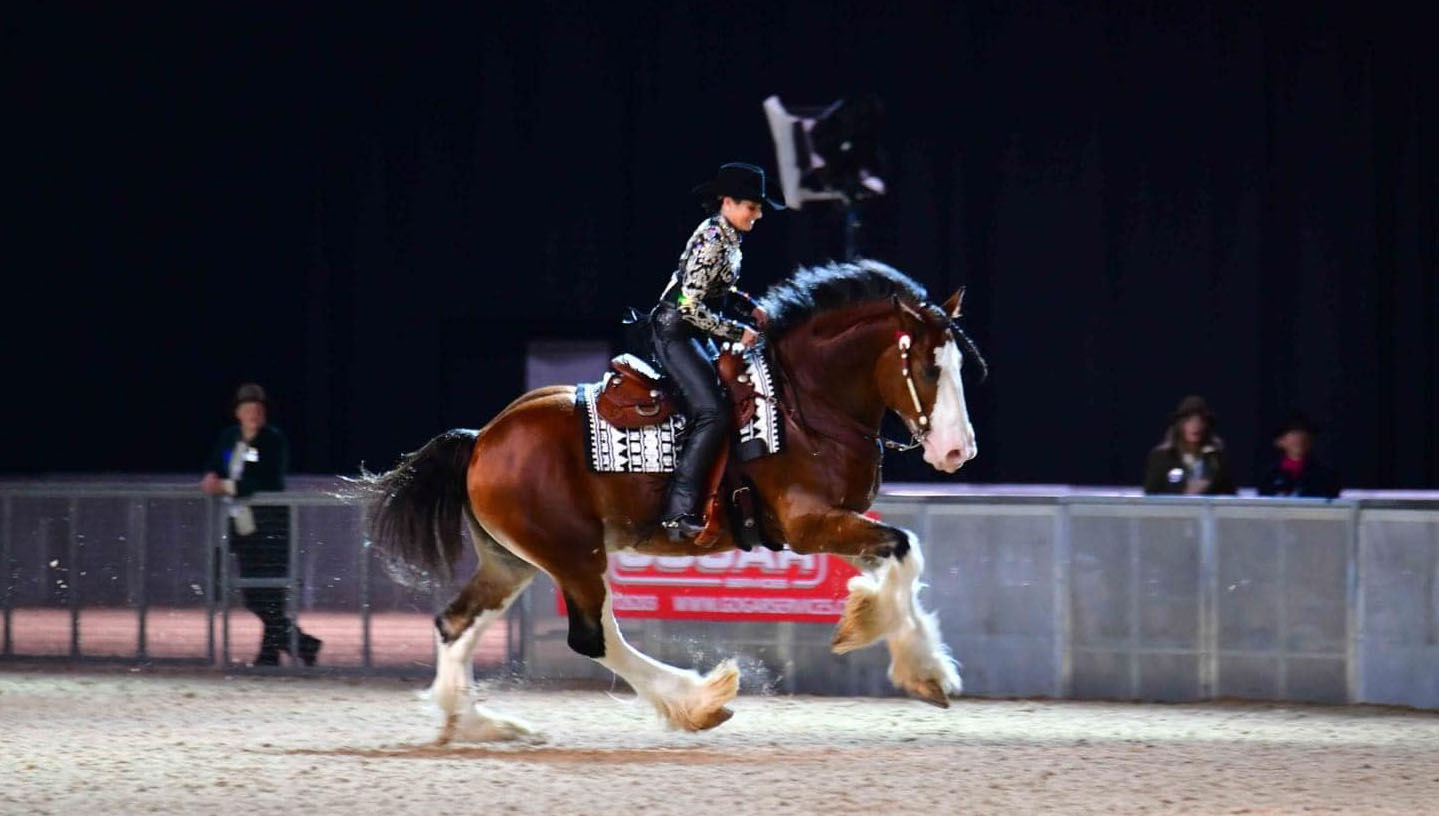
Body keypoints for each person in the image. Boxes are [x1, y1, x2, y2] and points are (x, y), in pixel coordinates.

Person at [652, 162, 784, 539]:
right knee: (712, 411)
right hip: (675, 332)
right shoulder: (713, 238)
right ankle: (677, 512)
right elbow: (688, 305)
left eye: (759, 208)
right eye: (752, 207)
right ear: (727, 202)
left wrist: (748, 305)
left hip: (692, 330)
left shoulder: (727, 236)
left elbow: (716, 287)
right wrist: (734, 329)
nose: (757, 215)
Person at [200, 383, 321, 666]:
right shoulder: (229, 438)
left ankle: (273, 654)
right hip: (242, 525)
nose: (254, 414)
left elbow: (266, 480)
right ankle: (302, 644)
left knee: (269, 594)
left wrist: (226, 486)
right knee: (254, 595)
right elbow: (216, 463)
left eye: (258, 410)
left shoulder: (273, 440)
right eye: (248, 409)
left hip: (270, 526)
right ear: (238, 413)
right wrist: (210, 477)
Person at [1143, 395, 1237, 495]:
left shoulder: (1216, 458)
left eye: (1200, 421)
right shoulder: (1162, 457)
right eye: (1189, 421)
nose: (1195, 426)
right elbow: (1151, 496)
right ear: (1180, 425)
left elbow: (1230, 496)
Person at [1257, 410, 1341, 498]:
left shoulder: (1326, 476)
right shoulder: (1269, 476)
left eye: (1303, 432)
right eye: (1293, 433)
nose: (1299, 438)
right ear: (1280, 441)